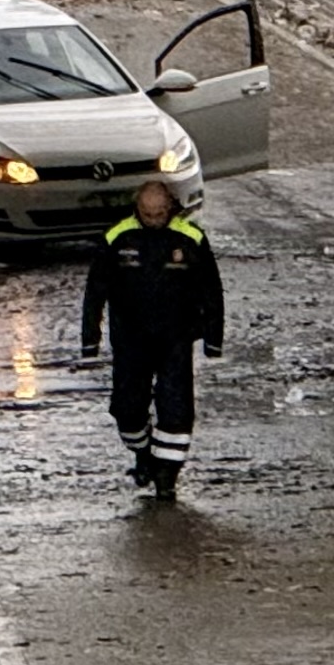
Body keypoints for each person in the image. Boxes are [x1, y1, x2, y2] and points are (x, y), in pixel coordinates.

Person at [78, 173, 224, 501]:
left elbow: (211, 292)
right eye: (148, 215)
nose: (154, 221)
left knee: (176, 408)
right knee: (127, 408)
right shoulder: (118, 237)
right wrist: (91, 339)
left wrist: (213, 340)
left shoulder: (190, 238)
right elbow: (95, 291)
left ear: (170, 207)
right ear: (137, 210)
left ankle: (166, 478)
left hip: (176, 340)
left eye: (160, 214)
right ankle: (143, 456)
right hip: (131, 340)